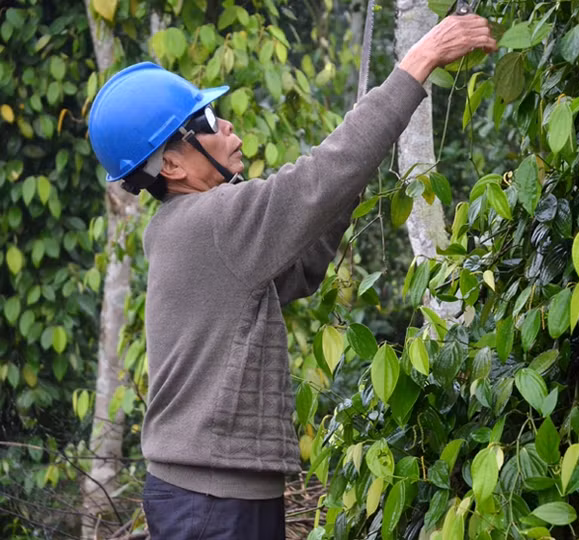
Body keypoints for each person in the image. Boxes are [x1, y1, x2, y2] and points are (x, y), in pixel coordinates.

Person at [88, 12, 497, 540]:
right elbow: (316, 180)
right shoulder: (214, 221)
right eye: (208, 121)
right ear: (170, 165)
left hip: (213, 493)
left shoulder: (186, 230)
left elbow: (299, 269)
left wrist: (346, 182)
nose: (228, 125)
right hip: (214, 501)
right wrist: (419, 60)